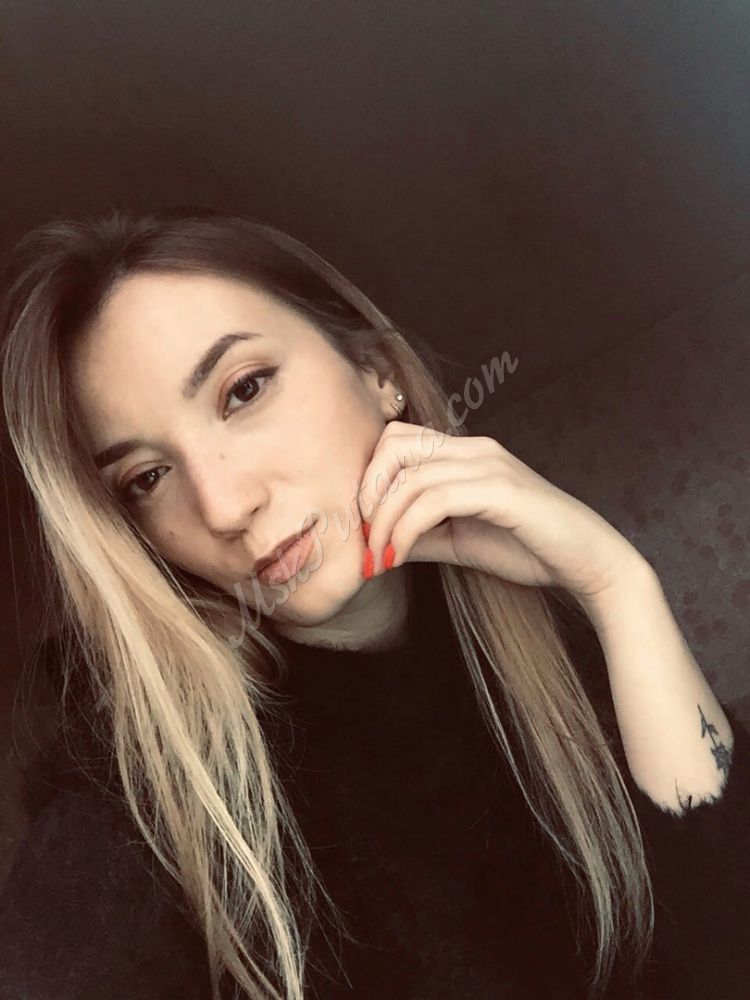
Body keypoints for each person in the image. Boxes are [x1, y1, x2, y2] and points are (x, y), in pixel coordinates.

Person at [0, 205, 747, 1000]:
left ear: (378, 371)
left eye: (244, 390)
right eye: (147, 478)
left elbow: (725, 932)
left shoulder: (542, 648)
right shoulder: (142, 804)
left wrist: (616, 586)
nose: (223, 506)